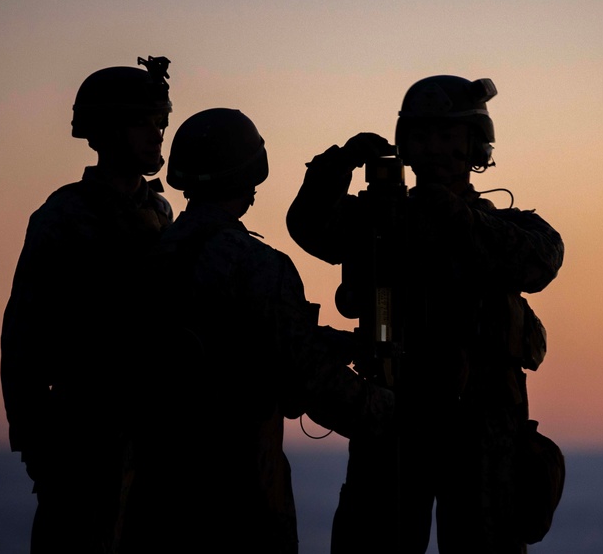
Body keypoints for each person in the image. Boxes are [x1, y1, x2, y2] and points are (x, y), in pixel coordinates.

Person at [286, 75, 565, 553]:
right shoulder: (380, 221)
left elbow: (542, 260)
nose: (432, 148)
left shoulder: (505, 228)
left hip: (483, 425)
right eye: (421, 136)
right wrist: (338, 165)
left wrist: (459, 217)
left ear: (474, 145)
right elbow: (310, 227)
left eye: (446, 136)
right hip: (395, 417)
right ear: (404, 144)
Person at [118, 108, 395, 554]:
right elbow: (310, 379)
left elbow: (239, 341)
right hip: (236, 497)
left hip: (152, 491)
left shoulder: (151, 256)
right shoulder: (258, 265)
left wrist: (344, 344)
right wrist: (395, 414)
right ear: (252, 174)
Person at [1, 57, 174, 553]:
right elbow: (24, 341)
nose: (157, 133)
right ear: (106, 130)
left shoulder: (160, 212)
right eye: (144, 121)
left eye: (160, 121)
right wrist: (39, 448)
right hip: (84, 440)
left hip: (154, 441)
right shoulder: (64, 216)